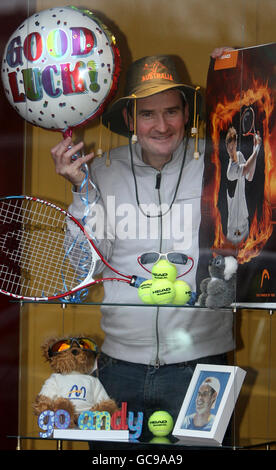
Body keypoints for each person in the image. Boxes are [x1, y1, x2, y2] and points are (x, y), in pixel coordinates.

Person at [51, 50, 234, 443]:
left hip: (200, 366)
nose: (162, 125)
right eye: (148, 114)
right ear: (131, 120)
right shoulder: (101, 170)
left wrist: (233, 73)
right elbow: (86, 265)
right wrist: (81, 190)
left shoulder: (218, 164)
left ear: (187, 113)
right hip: (119, 368)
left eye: (171, 111)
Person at [225, 126, 262, 245]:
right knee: (234, 259)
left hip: (245, 224)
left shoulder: (239, 155)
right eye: (229, 147)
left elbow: (249, 175)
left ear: (236, 144)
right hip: (233, 230)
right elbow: (245, 169)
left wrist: (254, 147)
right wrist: (257, 148)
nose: (231, 149)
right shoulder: (230, 171)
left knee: (247, 259)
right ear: (226, 148)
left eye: (233, 145)